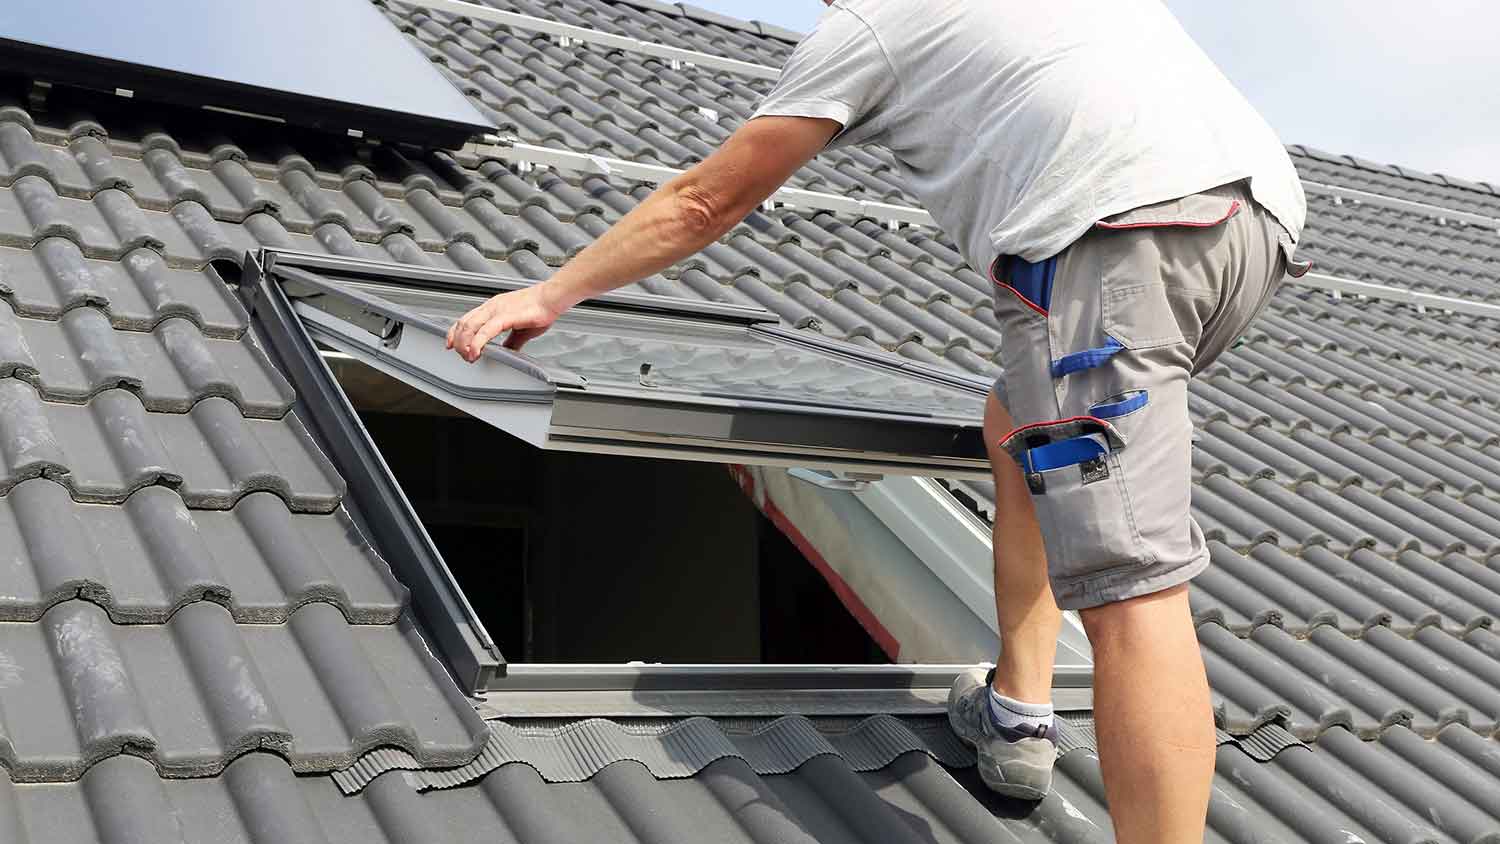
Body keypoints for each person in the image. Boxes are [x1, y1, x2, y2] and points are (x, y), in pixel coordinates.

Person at [447, 1, 1307, 840]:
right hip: (1252, 226)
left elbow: (707, 201)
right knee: (1018, 421)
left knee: (1131, 588)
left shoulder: (873, 23)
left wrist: (551, 290)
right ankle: (1019, 711)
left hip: (1120, 236)